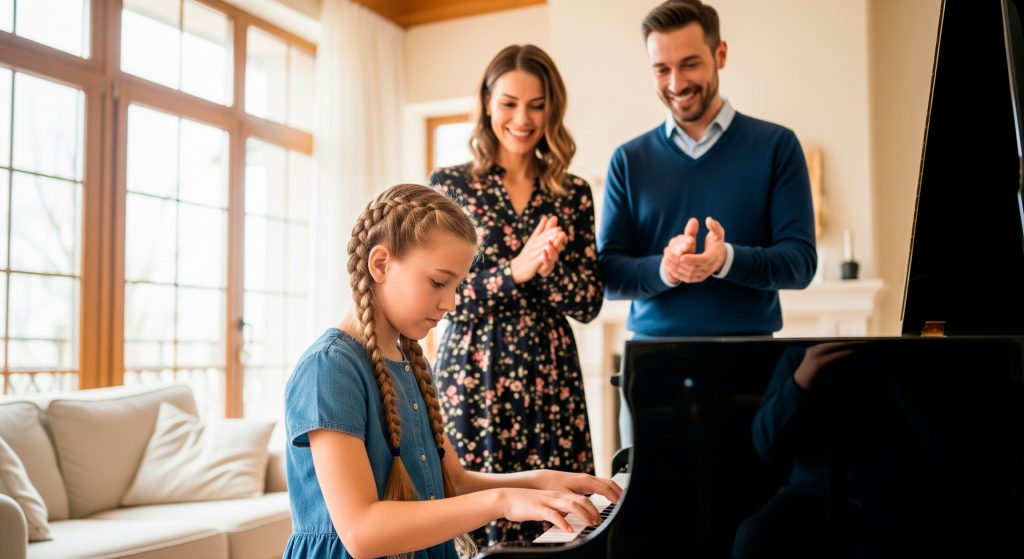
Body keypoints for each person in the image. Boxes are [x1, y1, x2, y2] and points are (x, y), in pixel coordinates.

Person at [282, 184, 621, 559]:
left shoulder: (412, 361)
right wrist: (503, 501)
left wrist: (539, 481)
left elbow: (452, 482)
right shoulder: (331, 368)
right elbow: (362, 533)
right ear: (380, 264)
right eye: (438, 282)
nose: (451, 303)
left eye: (457, 286)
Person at [597, 0, 817, 445]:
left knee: (753, 506)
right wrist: (666, 268)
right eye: (661, 69)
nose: (676, 83)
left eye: (690, 64)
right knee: (655, 511)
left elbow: (800, 264)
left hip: (752, 366)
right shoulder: (628, 160)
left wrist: (726, 260)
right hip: (654, 367)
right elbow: (608, 274)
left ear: (720, 54)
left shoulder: (777, 146)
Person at [429, 45, 604, 546]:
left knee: (560, 518)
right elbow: (441, 294)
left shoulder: (572, 193)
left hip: (550, 375)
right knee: (471, 515)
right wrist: (516, 271)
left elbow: (589, 303)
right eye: (509, 103)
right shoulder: (450, 185)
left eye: (536, 104)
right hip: (474, 372)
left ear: (553, 108)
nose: (522, 119)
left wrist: (544, 271)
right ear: (487, 103)